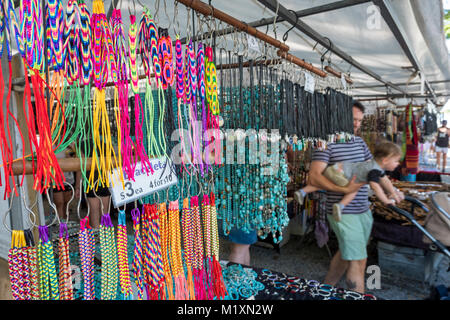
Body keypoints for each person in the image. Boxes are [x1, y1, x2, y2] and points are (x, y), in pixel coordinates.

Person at [308, 101, 404, 293]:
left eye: (360, 120)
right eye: (353, 119)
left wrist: (392, 191)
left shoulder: (359, 142)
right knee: (358, 260)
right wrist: (344, 190)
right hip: (344, 212)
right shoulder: (326, 142)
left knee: (348, 254)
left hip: (362, 209)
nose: (357, 124)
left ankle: (325, 290)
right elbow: (314, 176)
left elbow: (375, 170)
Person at [295, 141, 402, 222]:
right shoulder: (374, 170)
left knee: (323, 184)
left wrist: (393, 193)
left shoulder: (375, 166)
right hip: (340, 173)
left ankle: (302, 192)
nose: (398, 164)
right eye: (396, 161)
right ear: (385, 160)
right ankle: (340, 206)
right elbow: (376, 187)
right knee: (353, 189)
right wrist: (385, 201)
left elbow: (385, 181)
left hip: (337, 168)